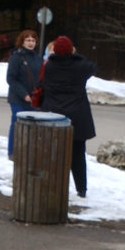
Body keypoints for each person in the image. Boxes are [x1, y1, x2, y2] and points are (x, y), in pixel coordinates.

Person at [35, 36, 97, 197]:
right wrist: (76, 55)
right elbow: (92, 67)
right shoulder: (80, 66)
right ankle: (81, 189)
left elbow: (40, 83)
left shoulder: (48, 66)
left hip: (53, 116)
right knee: (78, 155)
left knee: (52, 154)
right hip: (77, 117)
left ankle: (51, 185)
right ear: (72, 50)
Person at [4, 31, 42, 157]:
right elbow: (11, 78)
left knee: (33, 126)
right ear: (22, 42)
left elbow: (41, 78)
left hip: (34, 98)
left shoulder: (38, 58)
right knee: (17, 123)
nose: (30, 43)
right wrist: (23, 94)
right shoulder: (16, 57)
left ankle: (29, 152)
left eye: (33, 40)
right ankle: (13, 152)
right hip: (18, 98)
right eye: (28, 40)